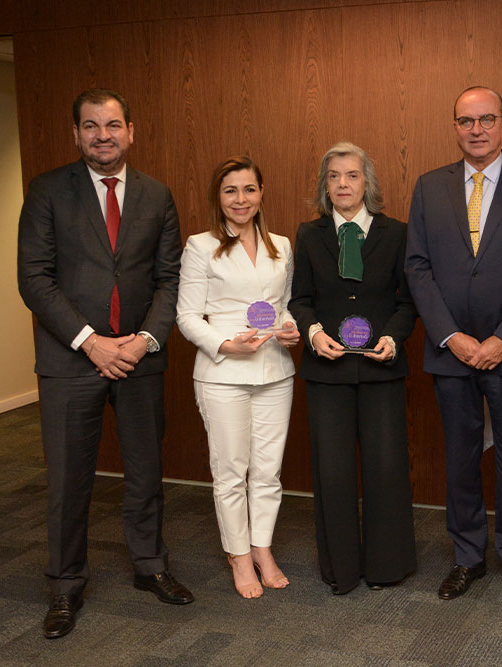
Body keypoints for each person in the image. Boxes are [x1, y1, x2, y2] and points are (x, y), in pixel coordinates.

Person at [17, 88, 192, 639]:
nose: (102, 135)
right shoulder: (47, 190)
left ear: (131, 130)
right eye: (90, 126)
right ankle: (65, 586)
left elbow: (170, 279)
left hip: (140, 356)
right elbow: (34, 279)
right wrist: (91, 341)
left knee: (145, 472)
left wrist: (143, 340)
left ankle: (150, 566)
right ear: (76, 134)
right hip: (71, 360)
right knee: (69, 481)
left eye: (113, 124)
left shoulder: (157, 195)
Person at [405, 85, 502, 607]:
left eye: (486, 119)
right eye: (466, 120)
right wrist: (453, 337)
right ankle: (467, 557)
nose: (476, 129)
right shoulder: (429, 187)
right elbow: (417, 267)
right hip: (452, 351)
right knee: (460, 458)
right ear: (455, 126)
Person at [289, 142, 417, 594]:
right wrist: (313, 332)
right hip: (327, 372)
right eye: (334, 177)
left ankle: (387, 566)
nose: (343, 184)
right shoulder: (309, 234)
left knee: (386, 469)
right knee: (334, 472)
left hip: (382, 368)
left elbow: (407, 302)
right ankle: (340, 570)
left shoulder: (396, 233)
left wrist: (394, 337)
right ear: (325, 186)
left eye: (352, 176)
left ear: (368, 183)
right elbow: (299, 300)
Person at [176, 156, 299, 599]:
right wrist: (226, 345)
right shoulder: (199, 245)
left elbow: (285, 305)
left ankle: (262, 547)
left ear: (261, 192)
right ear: (219, 197)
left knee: (268, 472)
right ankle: (238, 555)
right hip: (222, 372)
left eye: (249, 189)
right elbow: (186, 316)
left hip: (275, 371)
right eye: (231, 191)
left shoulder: (282, 245)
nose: (240, 199)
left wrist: (290, 330)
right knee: (231, 471)